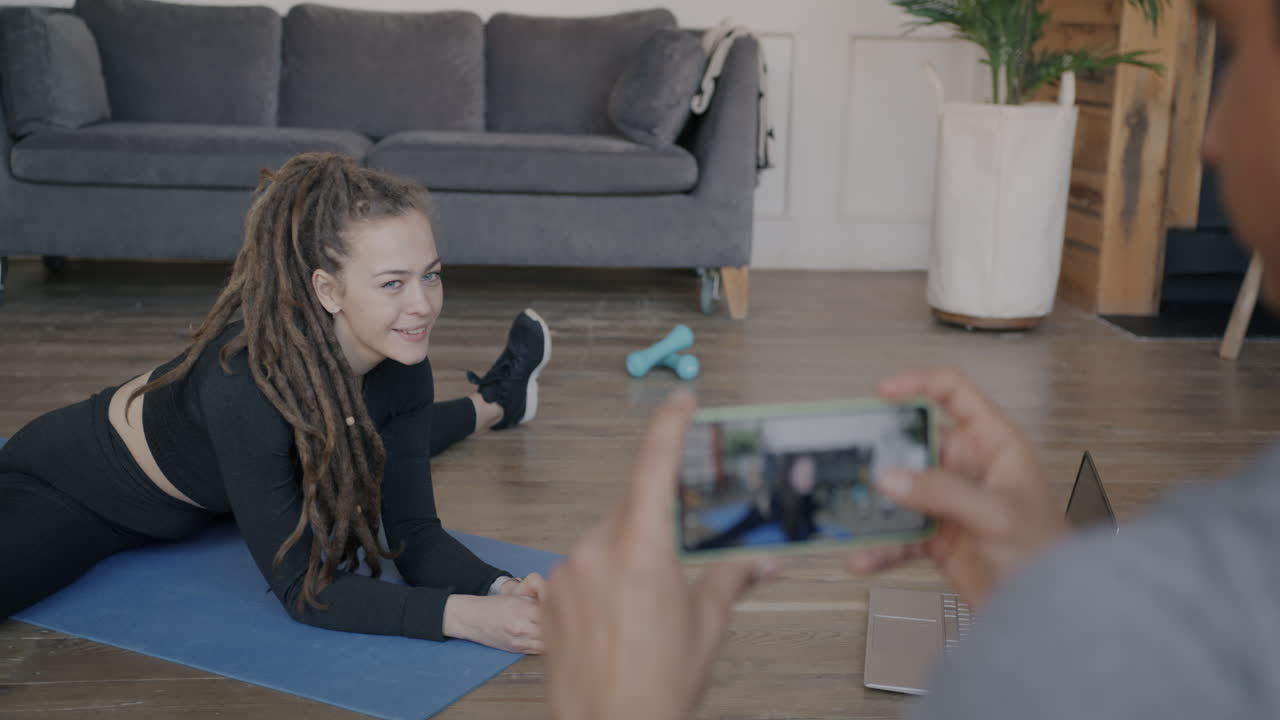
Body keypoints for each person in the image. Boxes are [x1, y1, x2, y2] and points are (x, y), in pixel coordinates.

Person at [543, 0, 1280, 715]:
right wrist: (1054, 586)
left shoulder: (1132, 640)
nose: (1211, 136)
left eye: (1239, 50)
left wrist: (615, 705)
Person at [1, 152, 549, 654]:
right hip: (76, 486)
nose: (422, 304)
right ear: (328, 290)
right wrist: (466, 618)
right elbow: (303, 589)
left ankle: (497, 402)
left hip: (218, 489)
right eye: (392, 284)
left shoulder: (403, 364)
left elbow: (416, 532)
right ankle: (499, 401)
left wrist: (500, 588)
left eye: (431, 275)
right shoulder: (247, 380)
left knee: (377, 439)